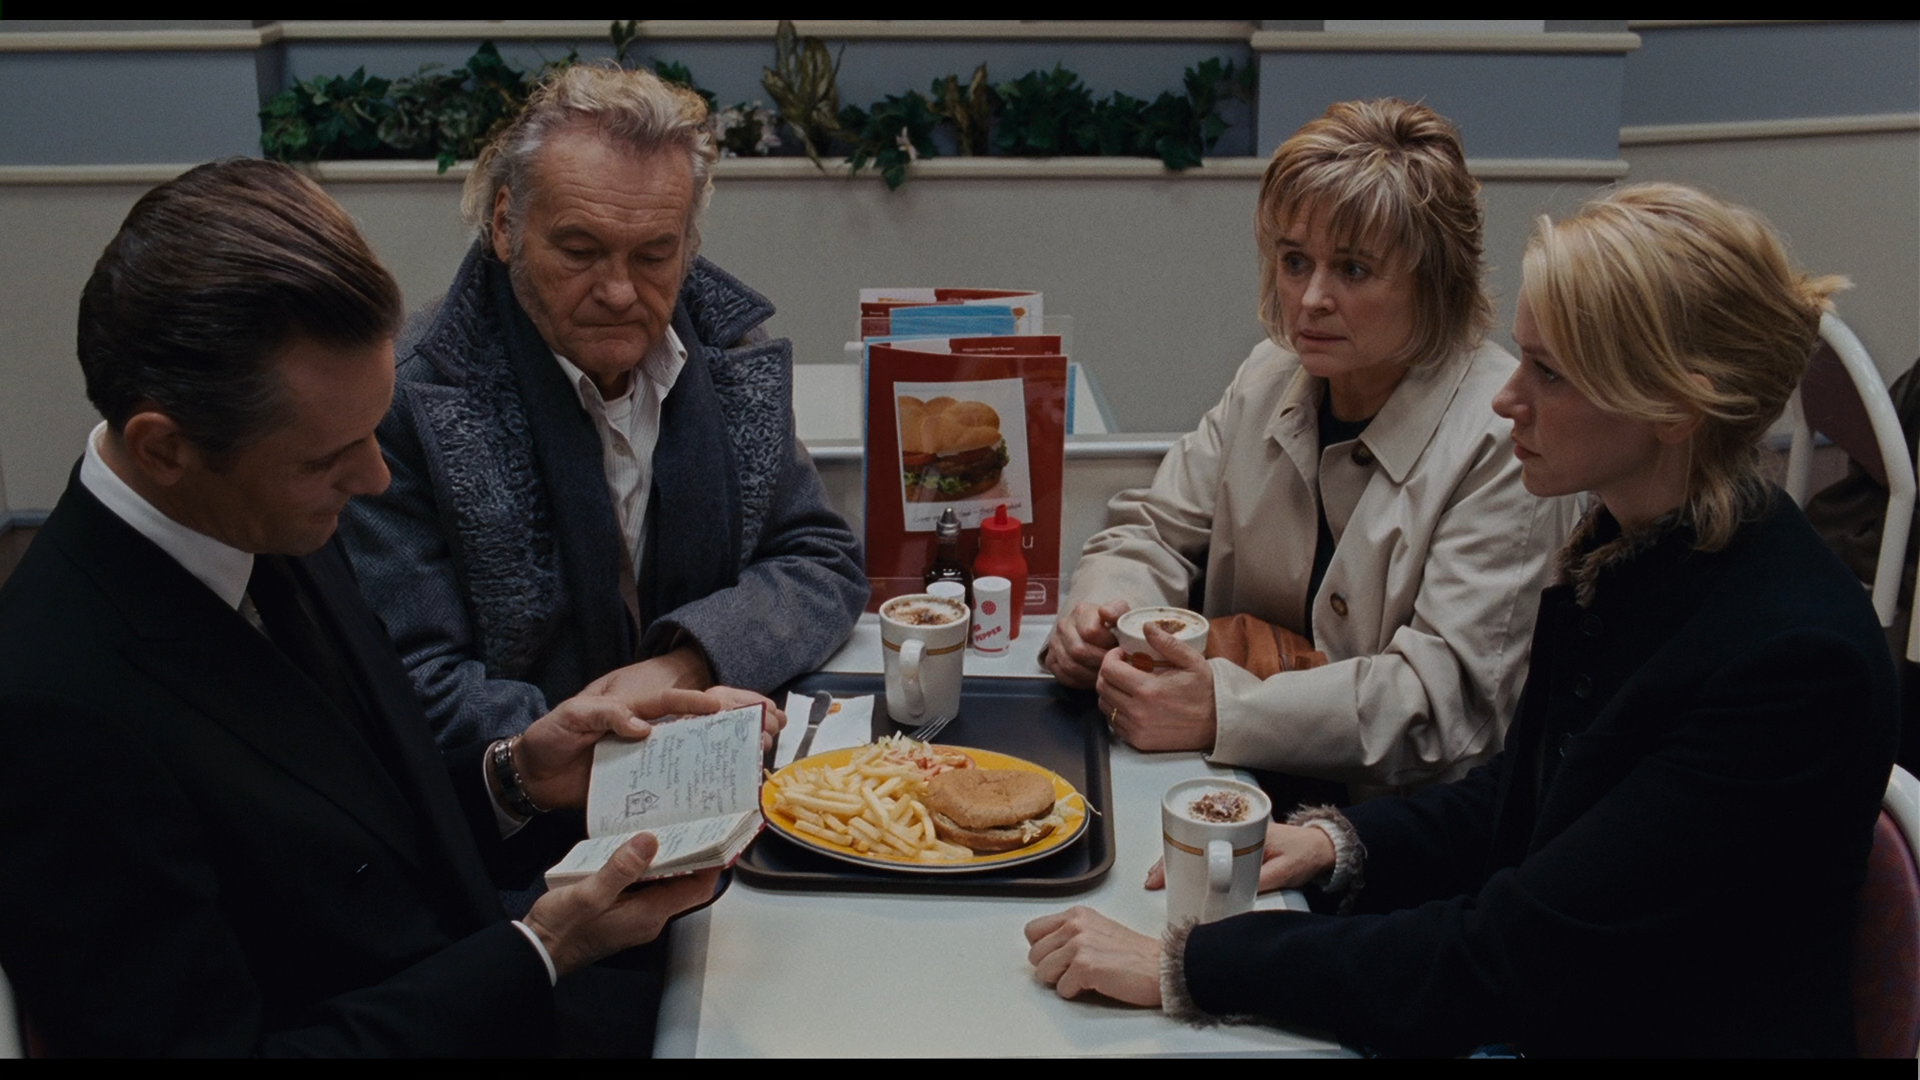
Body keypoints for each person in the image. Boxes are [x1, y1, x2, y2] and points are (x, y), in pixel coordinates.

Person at [1025, 183, 1899, 1056]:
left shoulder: (1793, 661)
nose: (1507, 397)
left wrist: (1191, 964)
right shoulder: (1635, 542)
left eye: (1548, 373)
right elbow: (1529, 800)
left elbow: (1517, 958)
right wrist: (1335, 844)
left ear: (1675, 407)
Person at [0, 158, 776, 1056]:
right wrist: (541, 951)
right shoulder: (56, 711)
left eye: (372, 432)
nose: (372, 478)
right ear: (164, 448)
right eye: (330, 458)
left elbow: (350, 824)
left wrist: (518, 775)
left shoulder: (254, 508)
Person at [1044, 100, 1578, 797]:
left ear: (1437, 281)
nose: (1311, 299)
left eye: (1353, 270)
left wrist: (1224, 711)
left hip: (1389, 830)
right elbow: (1152, 532)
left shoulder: (1501, 435)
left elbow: (1449, 705)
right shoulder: (1267, 375)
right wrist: (1103, 616)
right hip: (1222, 784)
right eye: (1295, 262)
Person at [339, 63, 866, 750]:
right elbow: (412, 680)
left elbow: (820, 560)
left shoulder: (729, 353)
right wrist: (613, 735)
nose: (618, 291)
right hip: (521, 801)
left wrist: (684, 664)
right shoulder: (412, 398)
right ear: (505, 225)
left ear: (688, 244)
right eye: (580, 251)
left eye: (653, 256)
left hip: (719, 765)